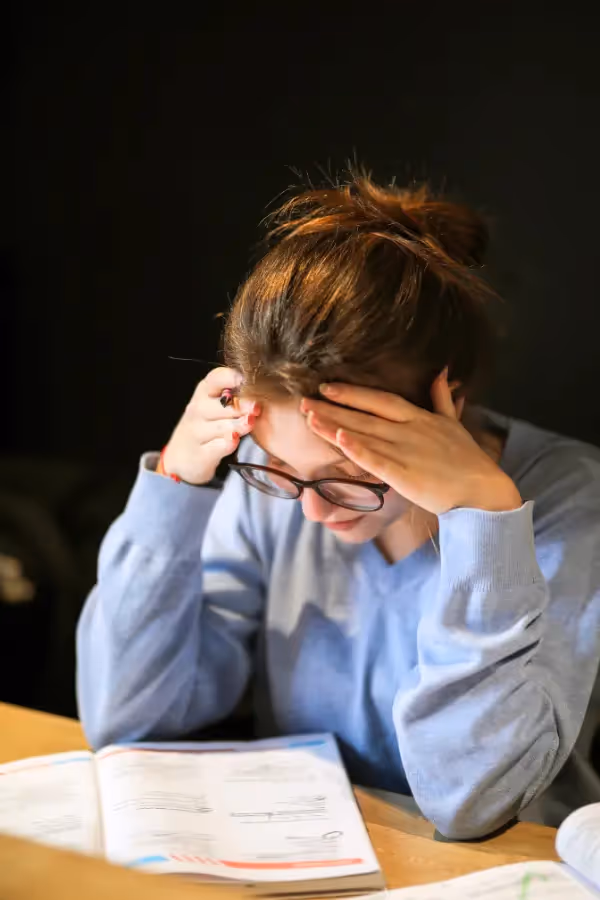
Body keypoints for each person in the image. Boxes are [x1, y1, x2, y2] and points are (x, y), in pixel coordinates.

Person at [77, 174, 600, 840]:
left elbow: (473, 803)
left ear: (449, 406)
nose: (313, 514)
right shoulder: (277, 486)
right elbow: (126, 720)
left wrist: (484, 524)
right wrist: (176, 489)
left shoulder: (568, 498)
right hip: (305, 855)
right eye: (282, 471)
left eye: (347, 476)